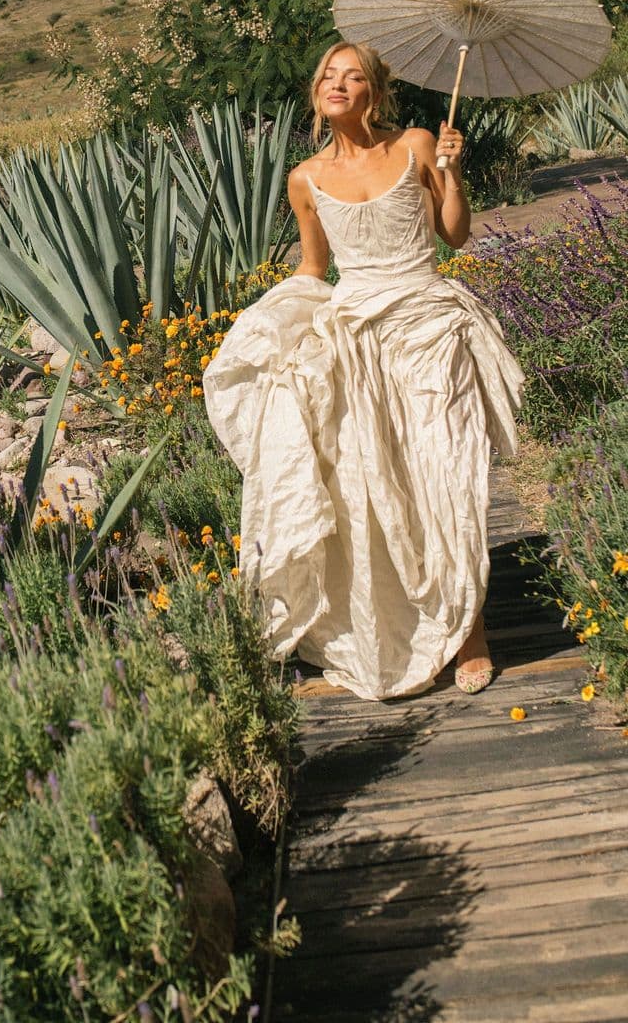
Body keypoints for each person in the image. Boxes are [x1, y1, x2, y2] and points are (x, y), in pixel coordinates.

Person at [203, 40, 524, 701]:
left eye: (352, 76)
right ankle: (406, 621)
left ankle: (471, 633)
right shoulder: (306, 178)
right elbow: (314, 270)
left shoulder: (414, 144)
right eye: (327, 74)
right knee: (380, 487)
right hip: (356, 341)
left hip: (429, 326)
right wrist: (273, 328)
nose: (336, 83)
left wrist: (451, 174)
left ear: (374, 91)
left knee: (444, 473)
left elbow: (454, 236)